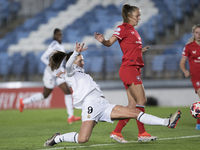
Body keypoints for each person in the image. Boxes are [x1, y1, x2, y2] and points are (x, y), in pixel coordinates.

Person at [43, 42, 181, 146]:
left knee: (134, 113)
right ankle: (57, 138)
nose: (83, 62)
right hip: (90, 105)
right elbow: (67, 66)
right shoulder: (70, 72)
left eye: (83, 59)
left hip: (102, 104)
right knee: (82, 139)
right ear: (73, 62)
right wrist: (74, 52)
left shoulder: (79, 72)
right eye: (81, 60)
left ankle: (167, 122)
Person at [94, 3, 155, 142]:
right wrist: (103, 41)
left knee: (132, 105)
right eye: (137, 15)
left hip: (133, 68)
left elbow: (130, 49)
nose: (139, 18)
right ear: (128, 16)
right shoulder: (122, 28)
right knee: (142, 100)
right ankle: (142, 133)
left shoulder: (133, 30)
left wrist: (140, 51)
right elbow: (110, 42)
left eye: (139, 15)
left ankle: (116, 132)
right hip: (129, 69)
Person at [19, 28, 81, 124]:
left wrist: (62, 69)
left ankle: (71, 117)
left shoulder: (60, 45)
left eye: (60, 34)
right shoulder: (54, 45)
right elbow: (43, 57)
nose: (59, 35)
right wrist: (49, 63)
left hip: (58, 73)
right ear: (54, 36)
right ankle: (23, 102)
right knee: (45, 95)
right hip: (50, 73)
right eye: (57, 34)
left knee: (68, 92)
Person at [180, 24, 200, 130]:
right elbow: (182, 62)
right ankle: (199, 124)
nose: (199, 35)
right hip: (196, 77)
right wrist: (185, 71)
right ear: (193, 34)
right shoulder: (189, 46)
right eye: (197, 32)